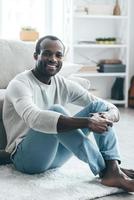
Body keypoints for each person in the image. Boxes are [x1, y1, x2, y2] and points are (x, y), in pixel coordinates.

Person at [3, 35, 134, 192]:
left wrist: (106, 116)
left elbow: (109, 107)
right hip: (26, 159)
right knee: (56, 111)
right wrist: (88, 122)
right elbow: (34, 119)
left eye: (58, 55)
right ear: (36, 56)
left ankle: (112, 168)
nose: (53, 59)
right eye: (47, 53)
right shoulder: (20, 83)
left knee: (98, 106)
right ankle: (107, 170)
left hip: (55, 157)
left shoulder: (62, 83)